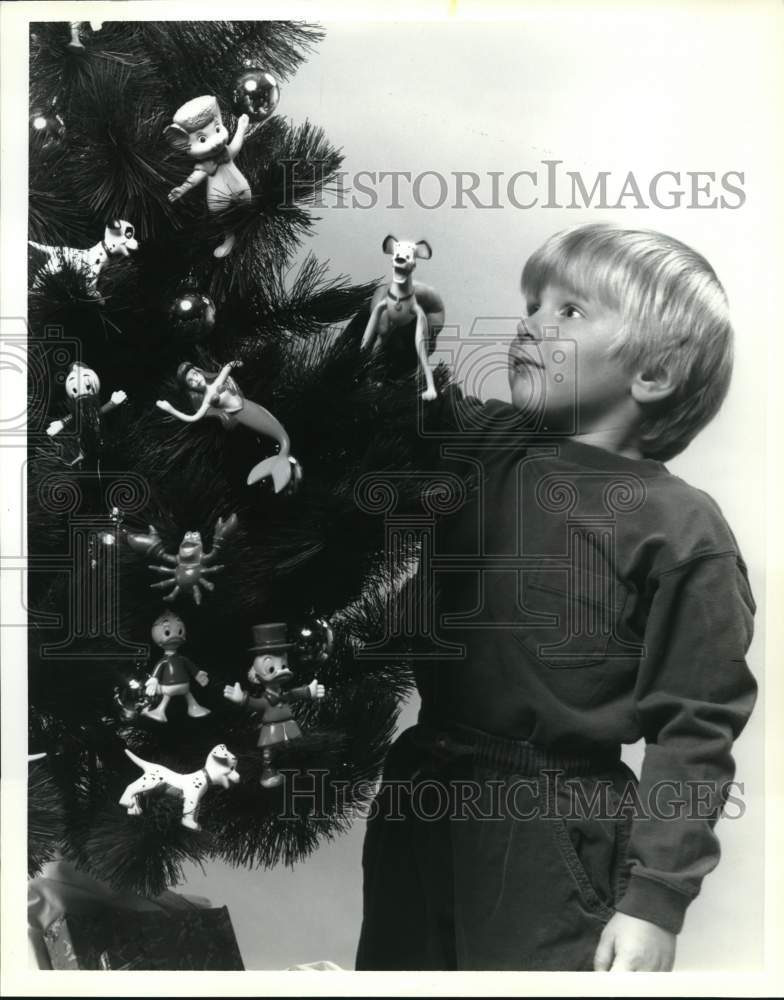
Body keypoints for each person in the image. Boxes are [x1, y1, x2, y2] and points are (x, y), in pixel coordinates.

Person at [354, 223, 758, 971]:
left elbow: (693, 731)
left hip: (553, 827)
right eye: (533, 303)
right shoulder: (490, 441)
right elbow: (397, 423)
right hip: (424, 792)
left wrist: (655, 901)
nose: (531, 322)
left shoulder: (681, 528)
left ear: (656, 373)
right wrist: (402, 339)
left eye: (569, 312)